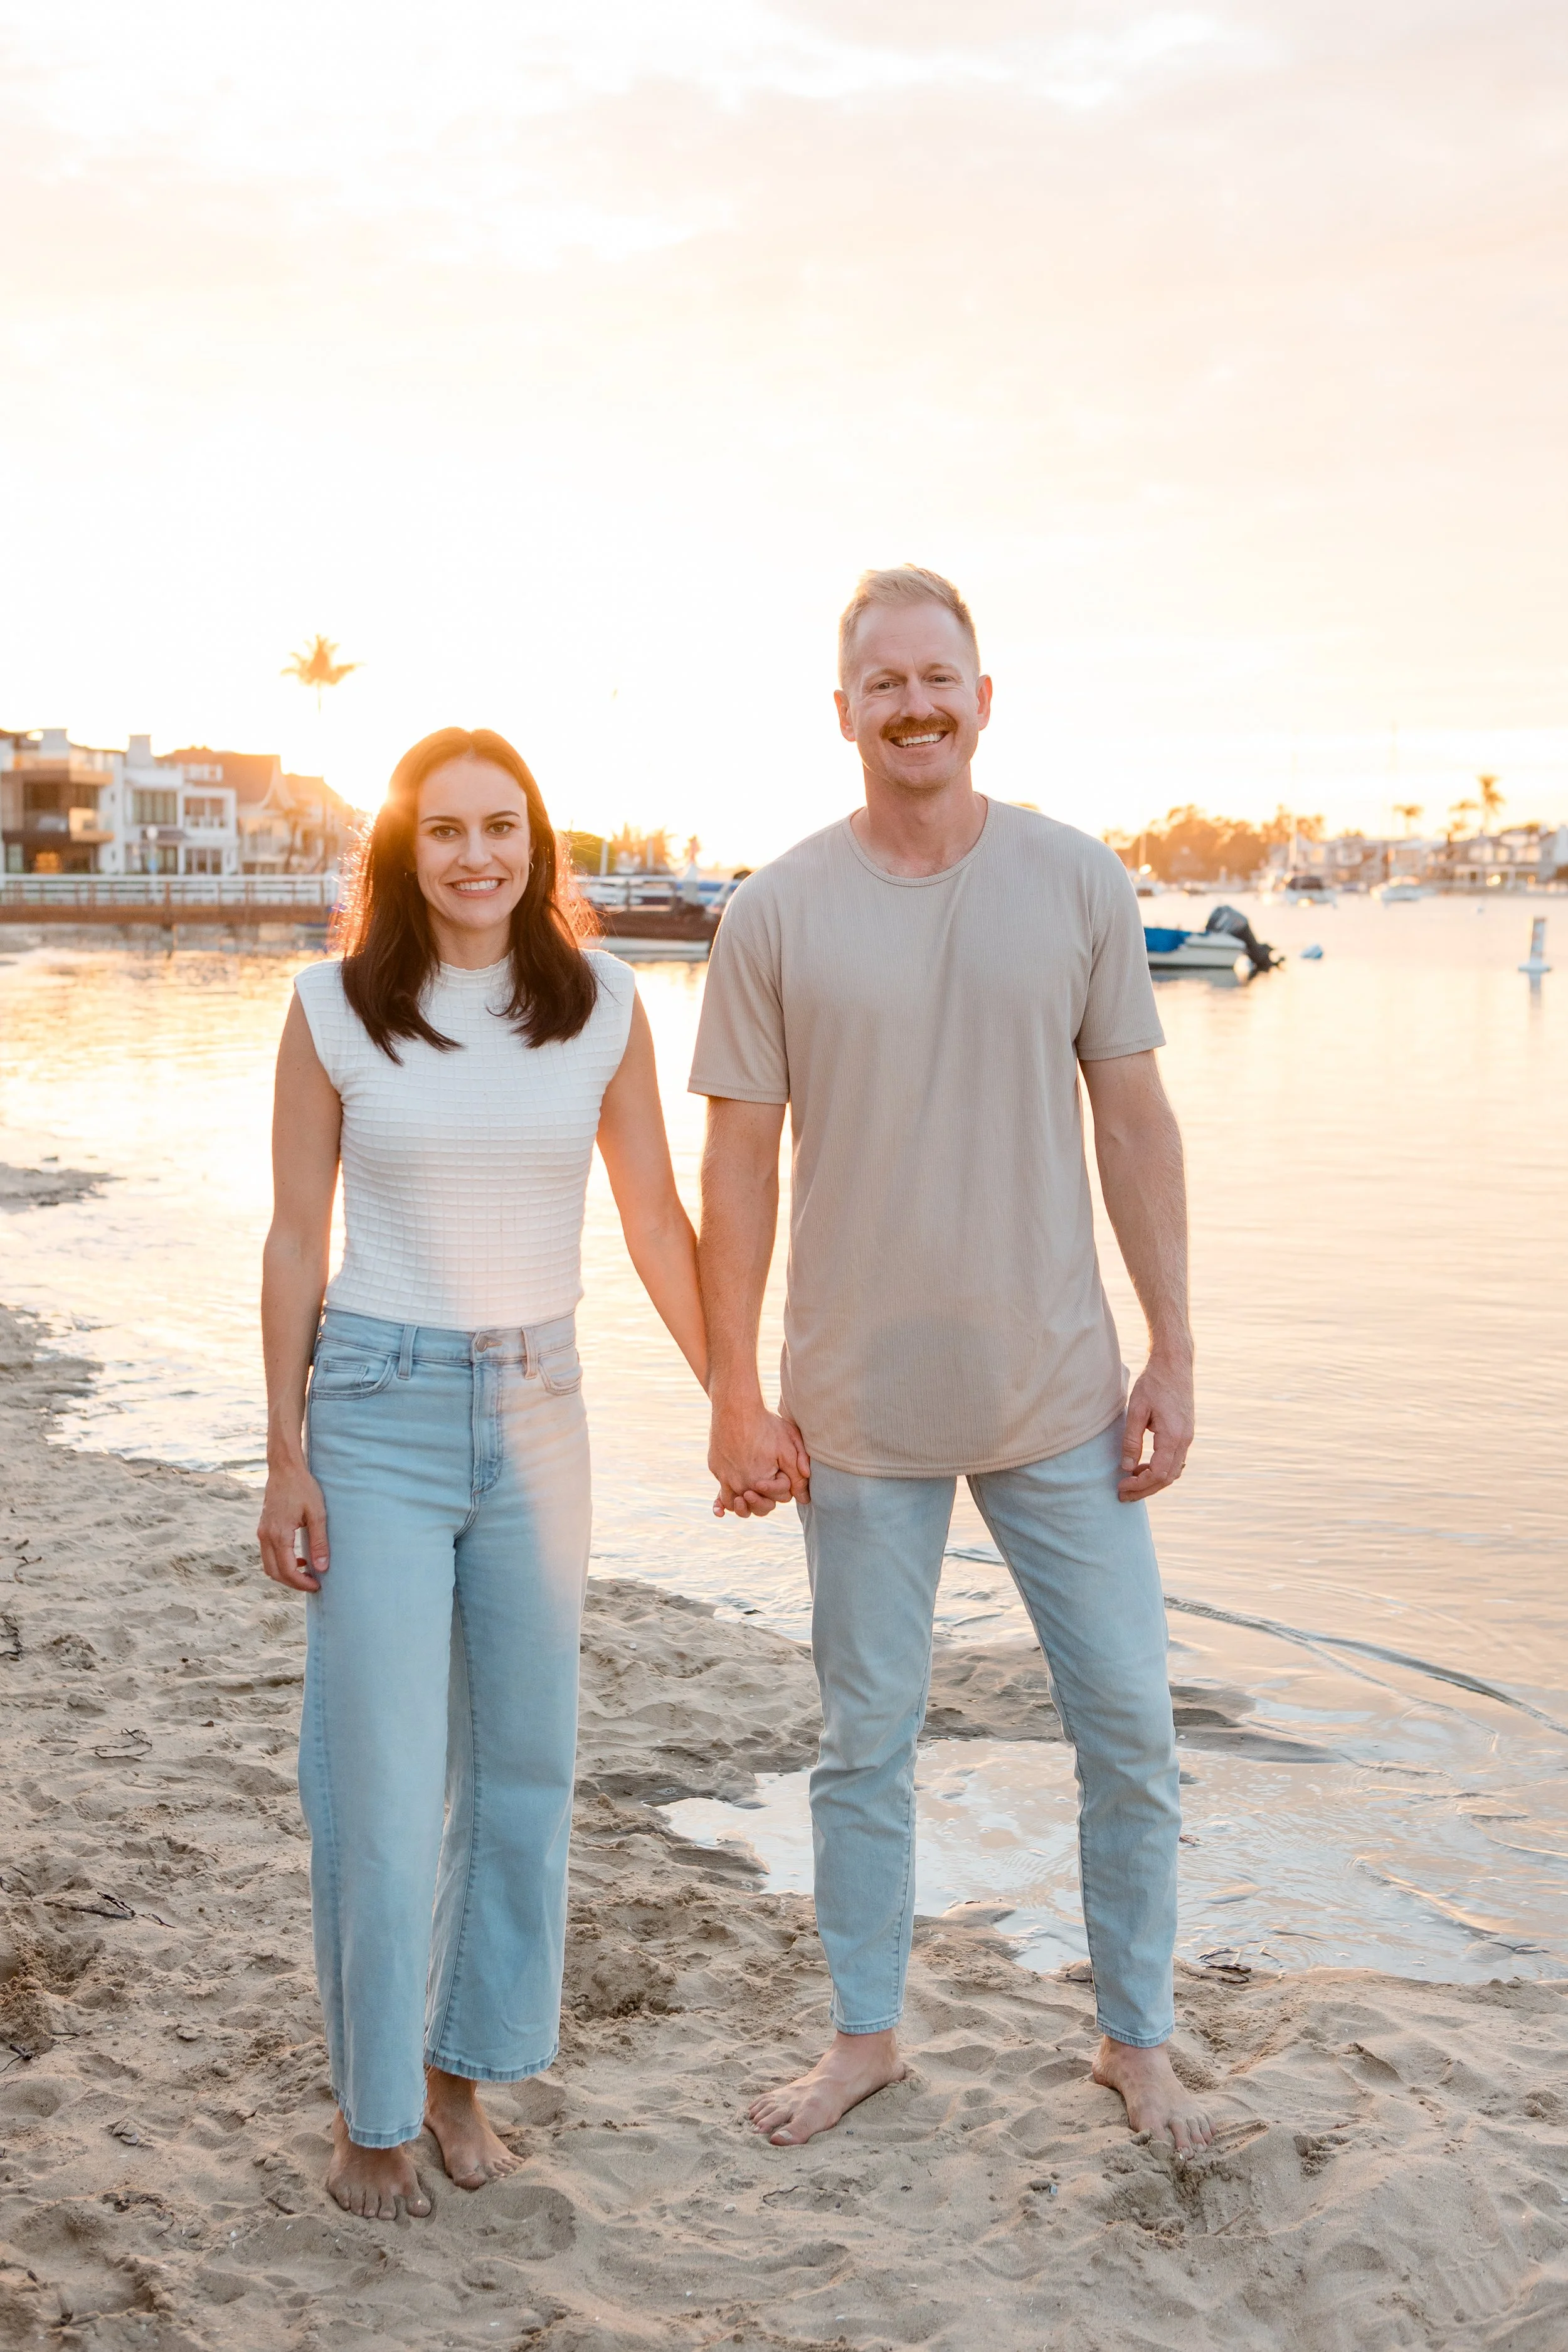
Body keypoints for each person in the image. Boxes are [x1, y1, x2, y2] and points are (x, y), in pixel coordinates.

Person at [692, 568, 1213, 2154]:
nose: (913, 706)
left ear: (982, 699)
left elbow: (1132, 1122)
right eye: (882, 683)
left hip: (1058, 1394)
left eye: (938, 679)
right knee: (863, 1743)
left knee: (1128, 1727)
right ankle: (865, 2037)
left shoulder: (1073, 880)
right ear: (841, 710)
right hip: (851, 1411)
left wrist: (1173, 1347)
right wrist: (730, 1385)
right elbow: (735, 1172)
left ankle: (1134, 2039)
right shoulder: (772, 908)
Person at [257, 727, 711, 2220]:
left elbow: (654, 1219)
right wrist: (284, 1452)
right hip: (377, 1407)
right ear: (403, 851)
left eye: (500, 828)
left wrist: (737, 1399)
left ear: (536, 844)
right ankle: (371, 2114)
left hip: (540, 1409)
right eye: (443, 829)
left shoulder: (604, 1006)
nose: (474, 855)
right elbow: (293, 1238)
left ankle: (459, 2078)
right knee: (381, 1788)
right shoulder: (332, 1009)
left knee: (521, 1775)